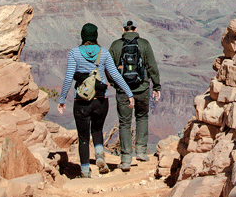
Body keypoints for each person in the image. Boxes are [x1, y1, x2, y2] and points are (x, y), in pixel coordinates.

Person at [58, 23, 134, 178]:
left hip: (82, 100)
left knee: (84, 137)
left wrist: (62, 98)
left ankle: (85, 171)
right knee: (97, 130)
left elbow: (68, 77)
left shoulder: (74, 53)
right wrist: (129, 93)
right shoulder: (104, 53)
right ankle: (99, 156)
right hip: (101, 99)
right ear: (96, 36)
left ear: (83, 36)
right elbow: (115, 75)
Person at [109, 19, 161, 172]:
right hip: (142, 87)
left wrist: (114, 84)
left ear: (124, 29)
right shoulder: (144, 44)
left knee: (124, 123)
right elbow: (152, 66)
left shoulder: (116, 45)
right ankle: (141, 151)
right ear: (136, 29)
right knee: (142, 117)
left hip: (123, 91)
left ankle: (126, 159)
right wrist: (156, 85)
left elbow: (109, 67)